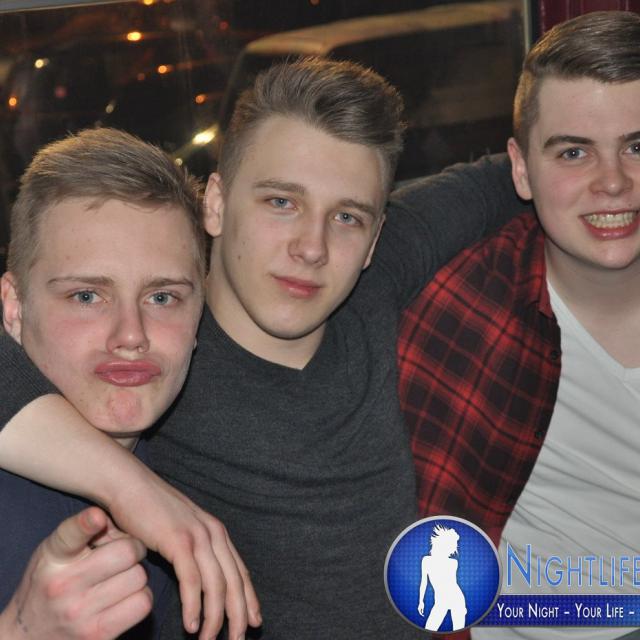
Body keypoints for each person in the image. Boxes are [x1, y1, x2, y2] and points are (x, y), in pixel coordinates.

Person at [0, 58, 525, 637]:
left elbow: (523, 174)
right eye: (281, 202)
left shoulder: (371, 278)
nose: (311, 247)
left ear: (375, 237)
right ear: (217, 203)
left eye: (346, 216)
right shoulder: (149, 366)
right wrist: (134, 492)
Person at [398, 11, 640, 640]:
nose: (613, 182)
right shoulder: (465, 313)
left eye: (638, 147)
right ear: (521, 169)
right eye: (573, 152)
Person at [0, 127, 259, 640]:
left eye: (162, 298)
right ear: (13, 308)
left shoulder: (211, 472)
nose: (131, 335)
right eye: (86, 296)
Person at [418, 525, 466, 632]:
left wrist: (462, 608)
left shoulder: (453, 563)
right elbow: (423, 582)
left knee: (458, 632)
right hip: (440, 601)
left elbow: (452, 584)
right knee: (429, 628)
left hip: (456, 599)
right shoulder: (426, 561)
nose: (453, 549)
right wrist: (421, 601)